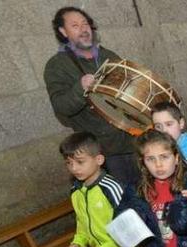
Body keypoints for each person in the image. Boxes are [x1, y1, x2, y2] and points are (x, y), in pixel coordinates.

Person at [44, 7, 138, 186]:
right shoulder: (57, 66)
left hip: (132, 140)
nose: (83, 29)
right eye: (75, 25)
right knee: (124, 204)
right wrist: (80, 88)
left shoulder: (108, 56)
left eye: (85, 24)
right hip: (104, 152)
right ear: (63, 32)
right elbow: (61, 107)